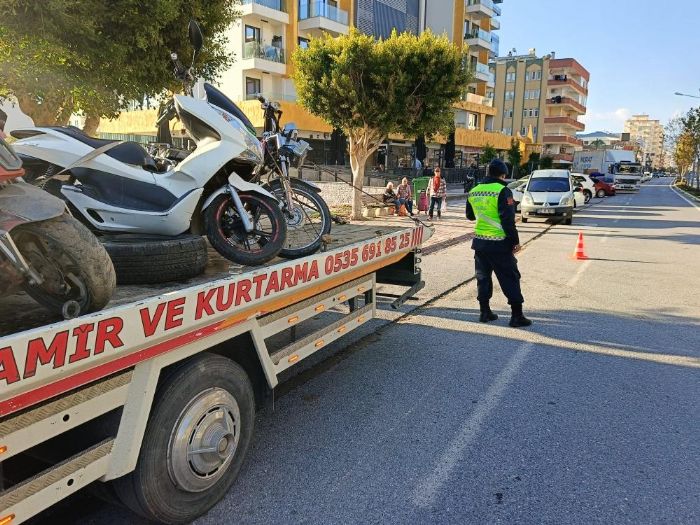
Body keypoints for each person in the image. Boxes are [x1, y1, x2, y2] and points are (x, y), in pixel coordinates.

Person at [466, 159, 531, 328]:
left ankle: (484, 312)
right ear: (503, 175)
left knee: (483, 278)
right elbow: (508, 220)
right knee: (510, 277)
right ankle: (517, 316)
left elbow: (470, 216)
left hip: (480, 243)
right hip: (499, 244)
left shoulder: (474, 190)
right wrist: (515, 241)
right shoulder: (503, 190)